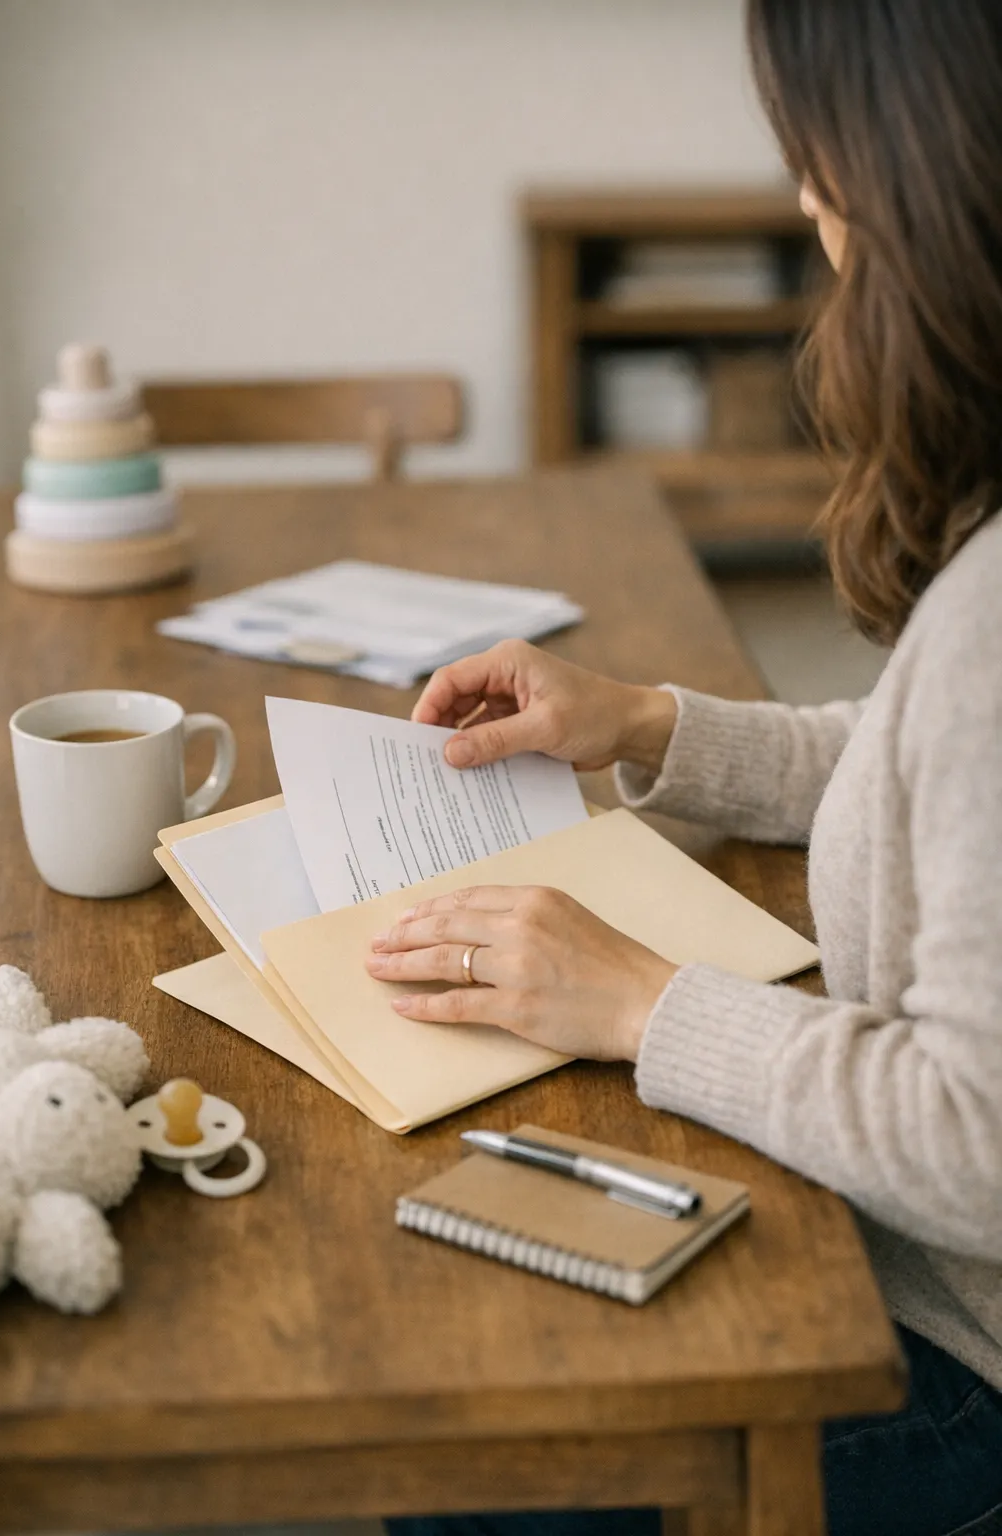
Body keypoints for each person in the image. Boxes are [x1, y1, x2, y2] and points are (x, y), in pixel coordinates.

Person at [375, 1, 1002, 1532]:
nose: (806, 198)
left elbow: (979, 1145)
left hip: (953, 1380)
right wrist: (646, 724)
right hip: (910, 1289)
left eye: (820, 154)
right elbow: (933, 773)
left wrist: (638, 1001)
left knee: (443, 1442)